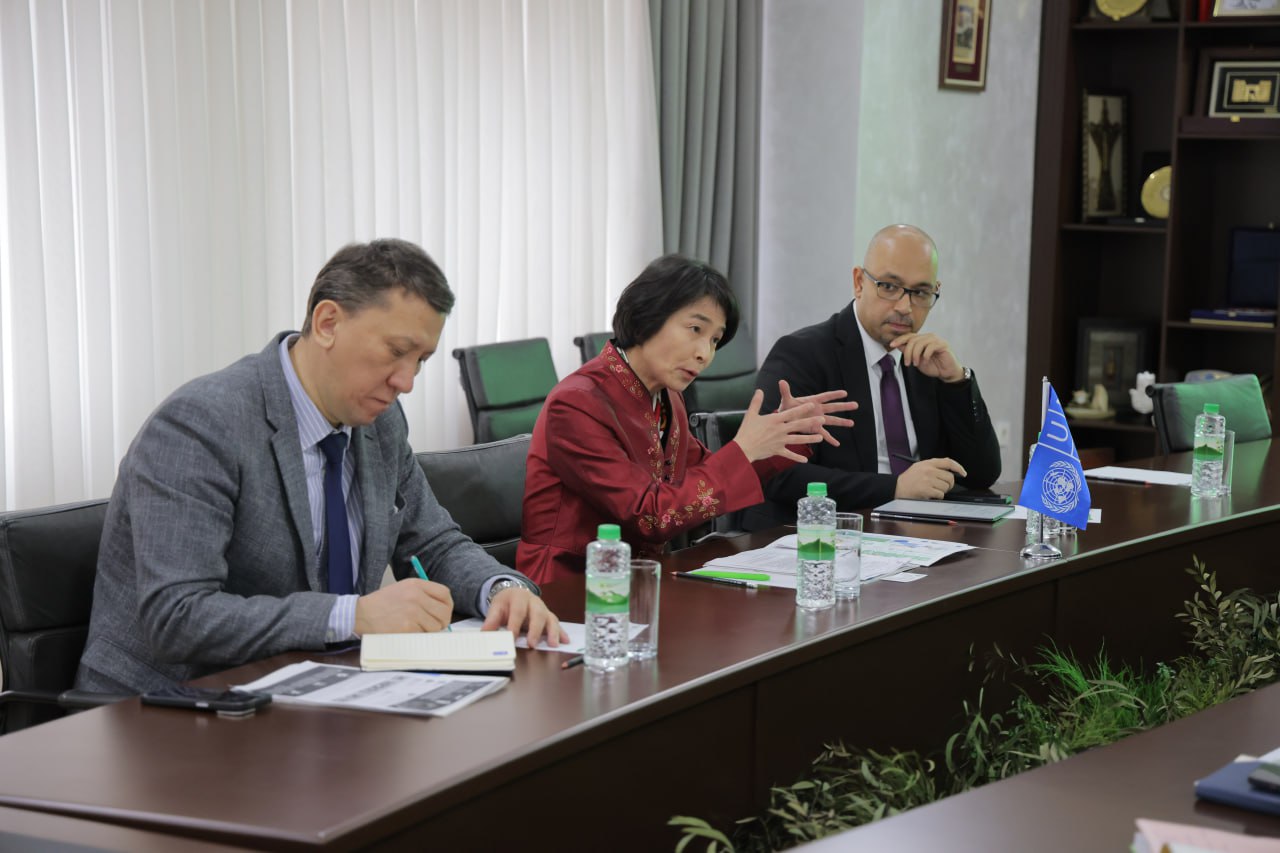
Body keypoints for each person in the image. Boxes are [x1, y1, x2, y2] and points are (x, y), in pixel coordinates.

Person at [76, 239, 565, 694]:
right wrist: (353, 616)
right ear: (328, 322)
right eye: (397, 352)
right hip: (166, 709)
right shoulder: (201, 424)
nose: (406, 381)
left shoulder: (380, 421)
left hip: (308, 690)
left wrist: (501, 588)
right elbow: (177, 617)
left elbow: (432, 542)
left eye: (421, 360)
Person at [517, 254, 856, 584]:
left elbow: (702, 480)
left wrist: (784, 435)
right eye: (695, 329)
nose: (704, 354)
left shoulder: (667, 397)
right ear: (647, 316)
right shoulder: (577, 403)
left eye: (714, 340)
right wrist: (743, 449)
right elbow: (651, 516)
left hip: (644, 582)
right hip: (568, 592)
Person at [745, 224, 1001, 528]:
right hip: (824, 535)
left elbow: (982, 473)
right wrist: (895, 488)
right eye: (889, 287)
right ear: (859, 282)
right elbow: (777, 473)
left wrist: (956, 381)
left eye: (920, 293)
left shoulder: (925, 361)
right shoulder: (803, 355)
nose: (905, 307)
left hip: (919, 534)